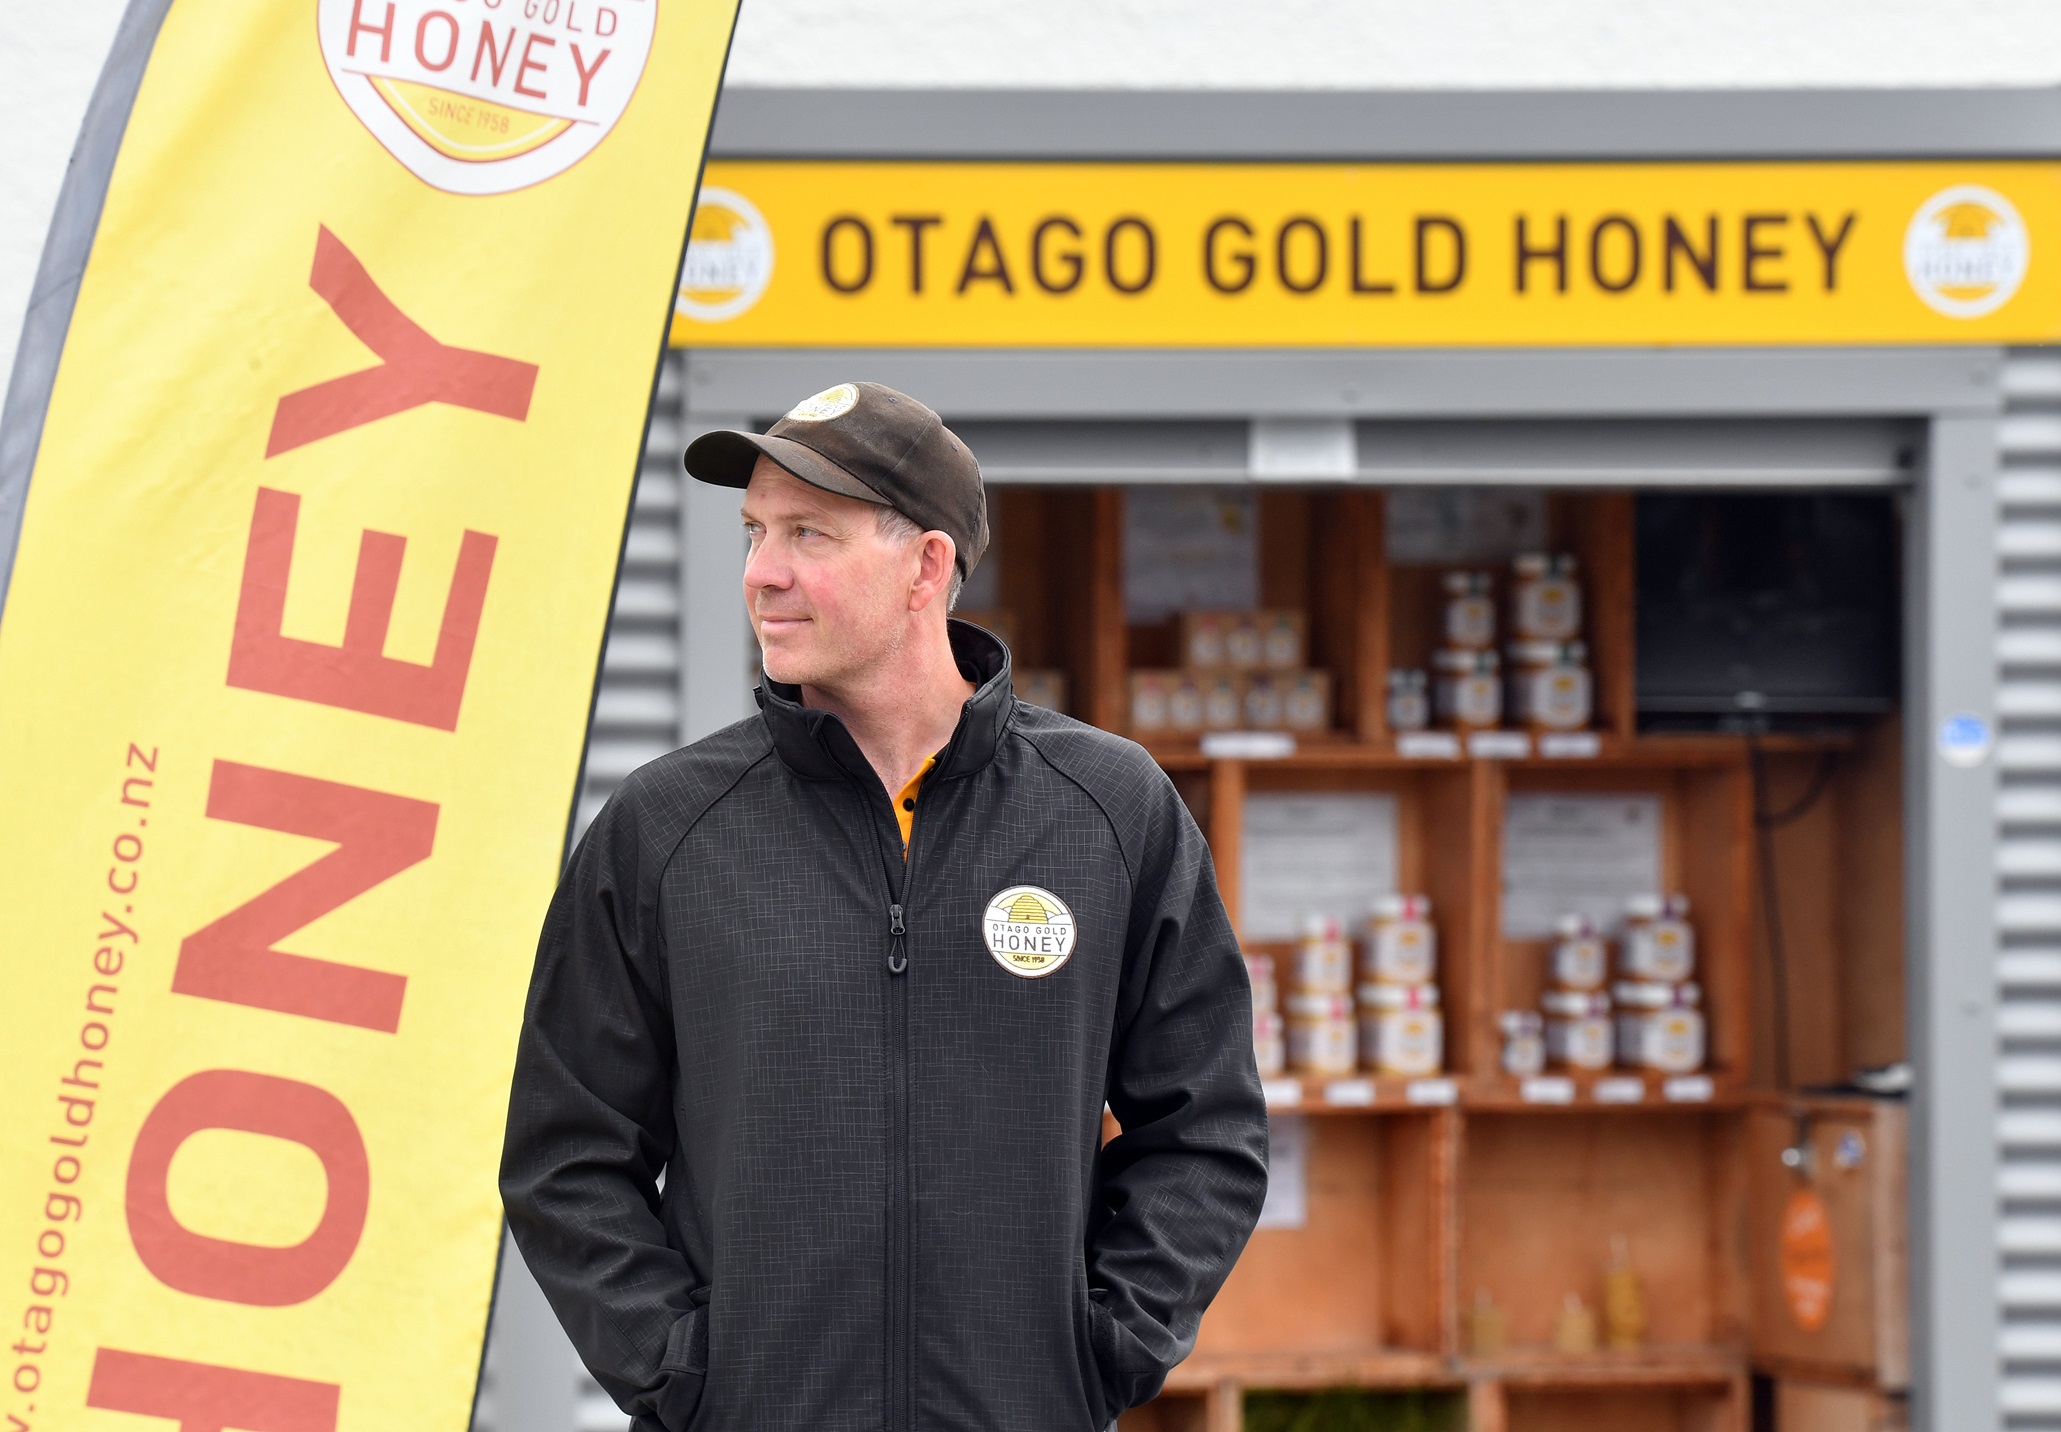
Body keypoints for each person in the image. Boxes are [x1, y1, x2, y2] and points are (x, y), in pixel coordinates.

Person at [501, 381, 1268, 1432]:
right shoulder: (665, 829)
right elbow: (566, 1152)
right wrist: (688, 1373)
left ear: (927, 566)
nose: (763, 573)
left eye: (809, 533)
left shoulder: (1109, 811)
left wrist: (1098, 1350)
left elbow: (1207, 1126)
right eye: (755, 532)